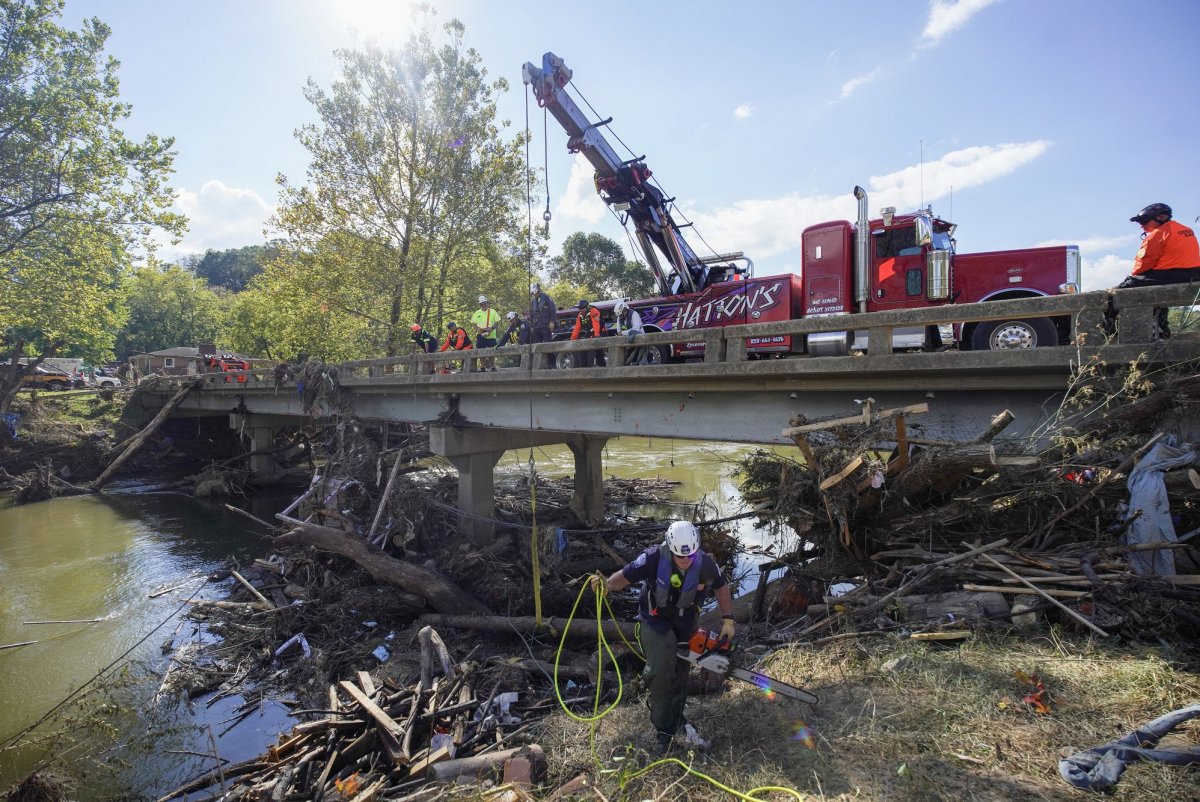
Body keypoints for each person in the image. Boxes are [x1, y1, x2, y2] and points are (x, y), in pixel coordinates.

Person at [593, 521, 735, 753]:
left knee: (679, 674)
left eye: (690, 556)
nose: (686, 561)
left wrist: (728, 618)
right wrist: (606, 585)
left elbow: (721, 586)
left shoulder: (704, 563)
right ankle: (664, 731)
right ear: (671, 548)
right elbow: (624, 576)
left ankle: (677, 718)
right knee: (660, 671)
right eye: (681, 557)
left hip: (686, 623)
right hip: (655, 622)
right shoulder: (652, 558)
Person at [1116, 203, 1200, 338]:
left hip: (1171, 273)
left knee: (1124, 288)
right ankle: (1161, 328)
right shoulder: (1186, 230)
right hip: (1194, 273)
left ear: (1161, 218)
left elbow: (1143, 264)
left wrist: (1134, 278)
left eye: (1144, 221)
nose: (1141, 225)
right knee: (1149, 284)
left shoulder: (1158, 234)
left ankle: (1114, 331)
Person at [612, 299, 648, 365]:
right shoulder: (619, 318)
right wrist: (622, 333)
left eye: (621, 314)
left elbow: (636, 329)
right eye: (619, 315)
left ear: (625, 310)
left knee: (641, 360)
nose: (620, 316)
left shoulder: (634, 314)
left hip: (640, 342)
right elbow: (618, 331)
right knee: (629, 361)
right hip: (629, 343)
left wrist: (623, 333)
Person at [471, 295, 500, 371]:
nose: (484, 305)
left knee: (492, 351)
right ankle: (482, 367)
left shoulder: (492, 311)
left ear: (487, 303)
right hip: (480, 335)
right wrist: (477, 329)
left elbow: (497, 321)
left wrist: (492, 328)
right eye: (482, 304)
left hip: (491, 335)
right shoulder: (477, 312)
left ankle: (493, 366)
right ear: (480, 305)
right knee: (481, 351)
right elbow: (473, 323)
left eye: (485, 303)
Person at [569, 299, 602, 368]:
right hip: (589, 334)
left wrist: (596, 335)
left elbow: (595, 323)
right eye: (579, 308)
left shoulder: (593, 310)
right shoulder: (580, 315)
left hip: (599, 332)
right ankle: (586, 369)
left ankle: (601, 366)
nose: (581, 310)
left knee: (598, 353)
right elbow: (577, 327)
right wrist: (572, 339)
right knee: (585, 352)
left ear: (586, 307)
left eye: (582, 308)